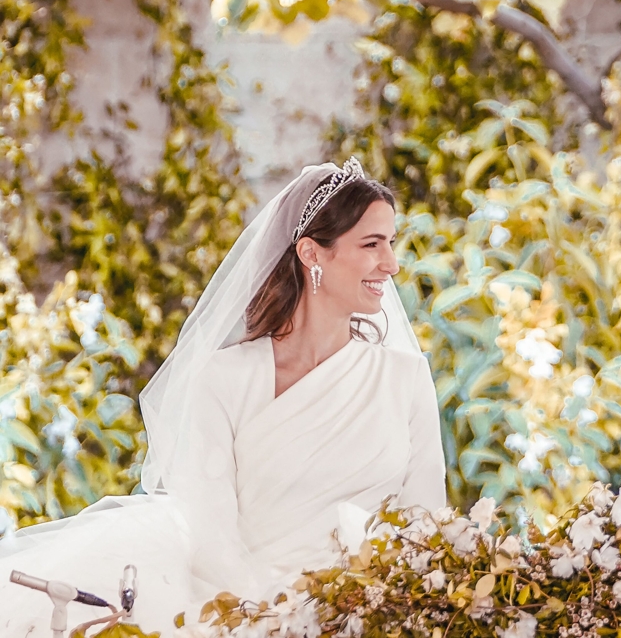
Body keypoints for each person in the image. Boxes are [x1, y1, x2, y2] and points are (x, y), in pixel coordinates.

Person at [0, 159, 447, 633]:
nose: (392, 264)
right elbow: (211, 539)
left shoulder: (407, 377)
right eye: (372, 244)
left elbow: (426, 526)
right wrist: (271, 622)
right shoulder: (225, 378)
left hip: (376, 617)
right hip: (245, 614)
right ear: (312, 254)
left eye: (391, 243)